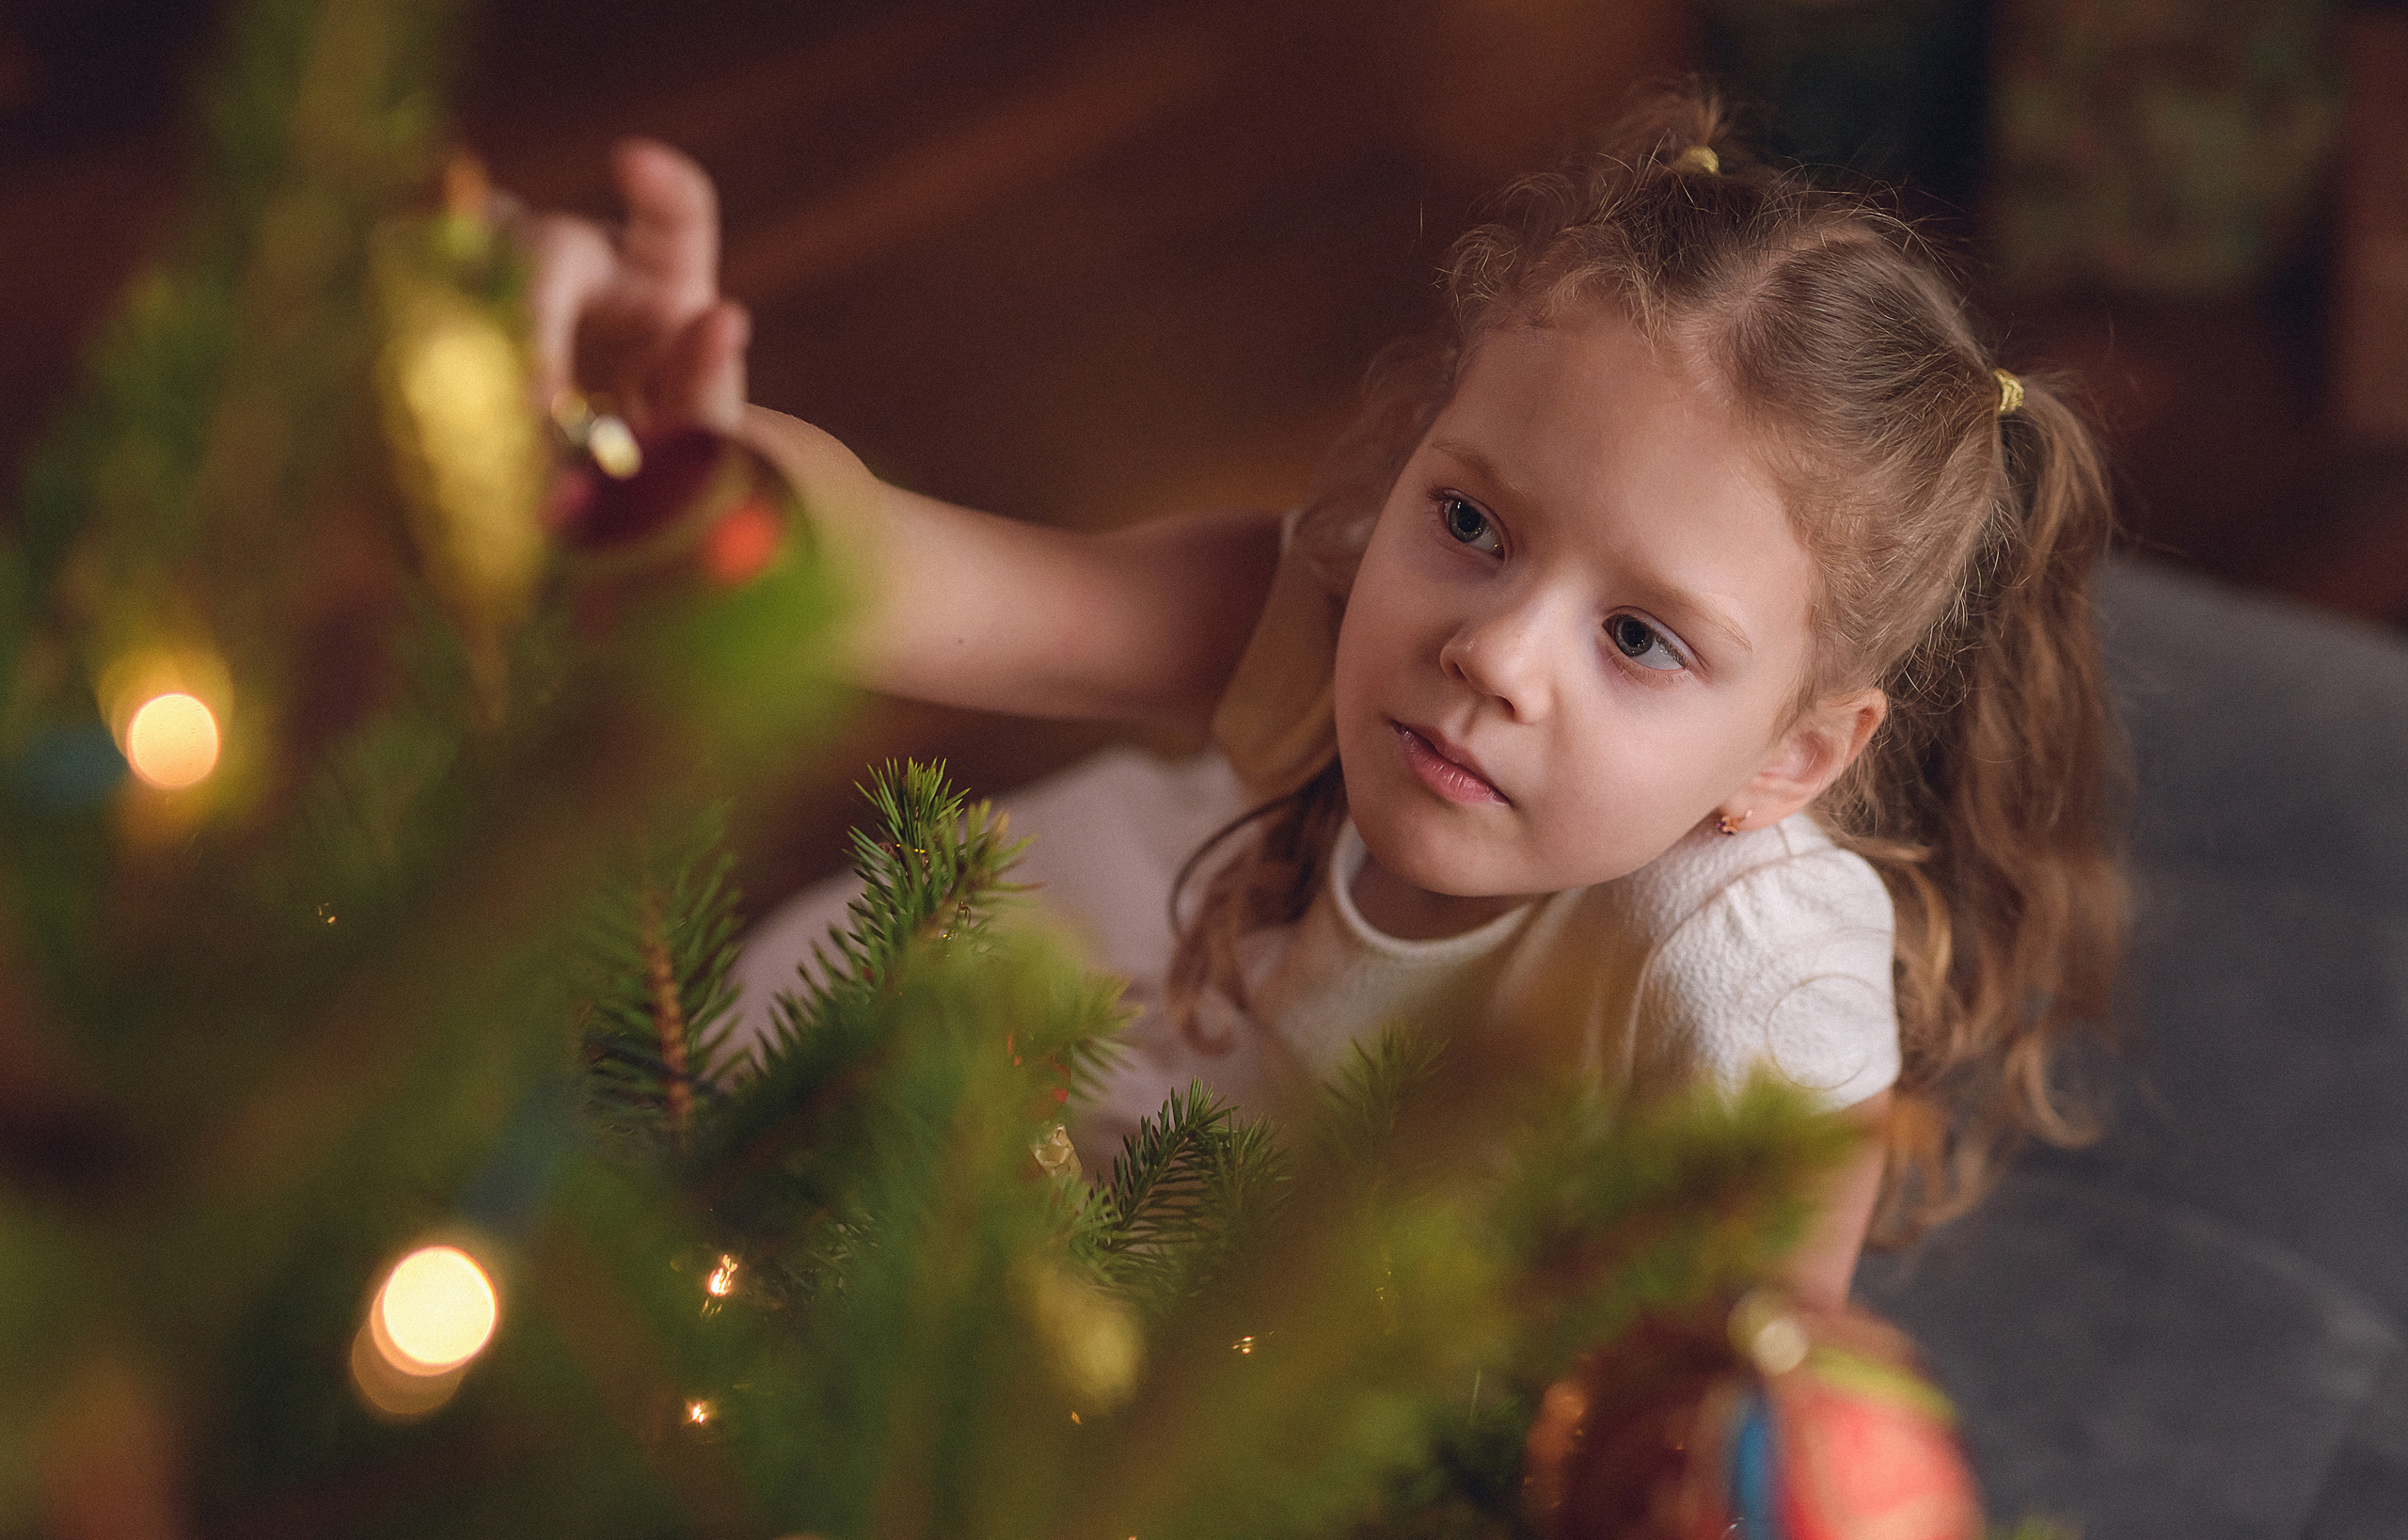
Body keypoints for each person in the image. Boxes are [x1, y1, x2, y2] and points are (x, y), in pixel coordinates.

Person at [523, 87, 2124, 1312]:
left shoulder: (1739, 955)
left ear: (1791, 755)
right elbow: (911, 571)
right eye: (1474, 523)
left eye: (1639, 638)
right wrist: (679, 464)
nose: (1494, 651)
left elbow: (1771, 1363)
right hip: (1215, 1220)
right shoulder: (1323, 614)